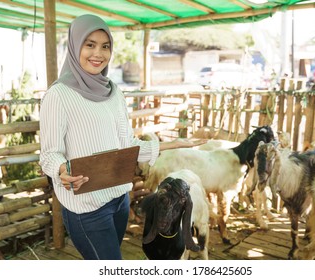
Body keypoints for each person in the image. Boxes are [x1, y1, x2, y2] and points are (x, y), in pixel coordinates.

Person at [39, 14, 205, 260]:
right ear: (75, 46)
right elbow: (49, 154)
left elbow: (127, 145)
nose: (98, 53)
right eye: (90, 44)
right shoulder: (59, 95)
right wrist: (61, 168)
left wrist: (174, 144)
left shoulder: (113, 91)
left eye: (105, 46)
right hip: (86, 208)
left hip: (119, 201)